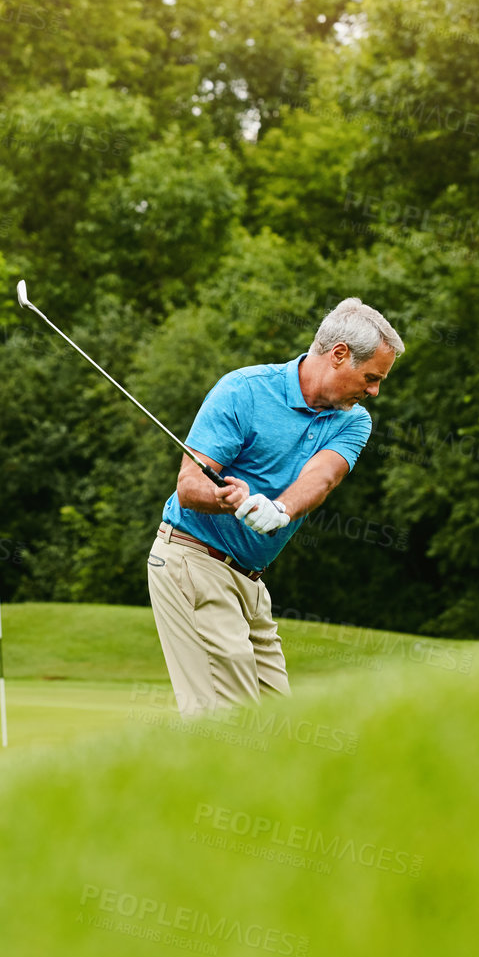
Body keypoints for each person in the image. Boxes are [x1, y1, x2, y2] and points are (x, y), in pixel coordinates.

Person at [146, 297, 404, 714]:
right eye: (371, 377)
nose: (374, 390)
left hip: (251, 580)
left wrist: (278, 510)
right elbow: (190, 486)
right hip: (192, 561)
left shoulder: (354, 420)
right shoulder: (244, 390)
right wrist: (226, 499)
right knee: (232, 721)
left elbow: (322, 478)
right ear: (339, 355)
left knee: (278, 721)